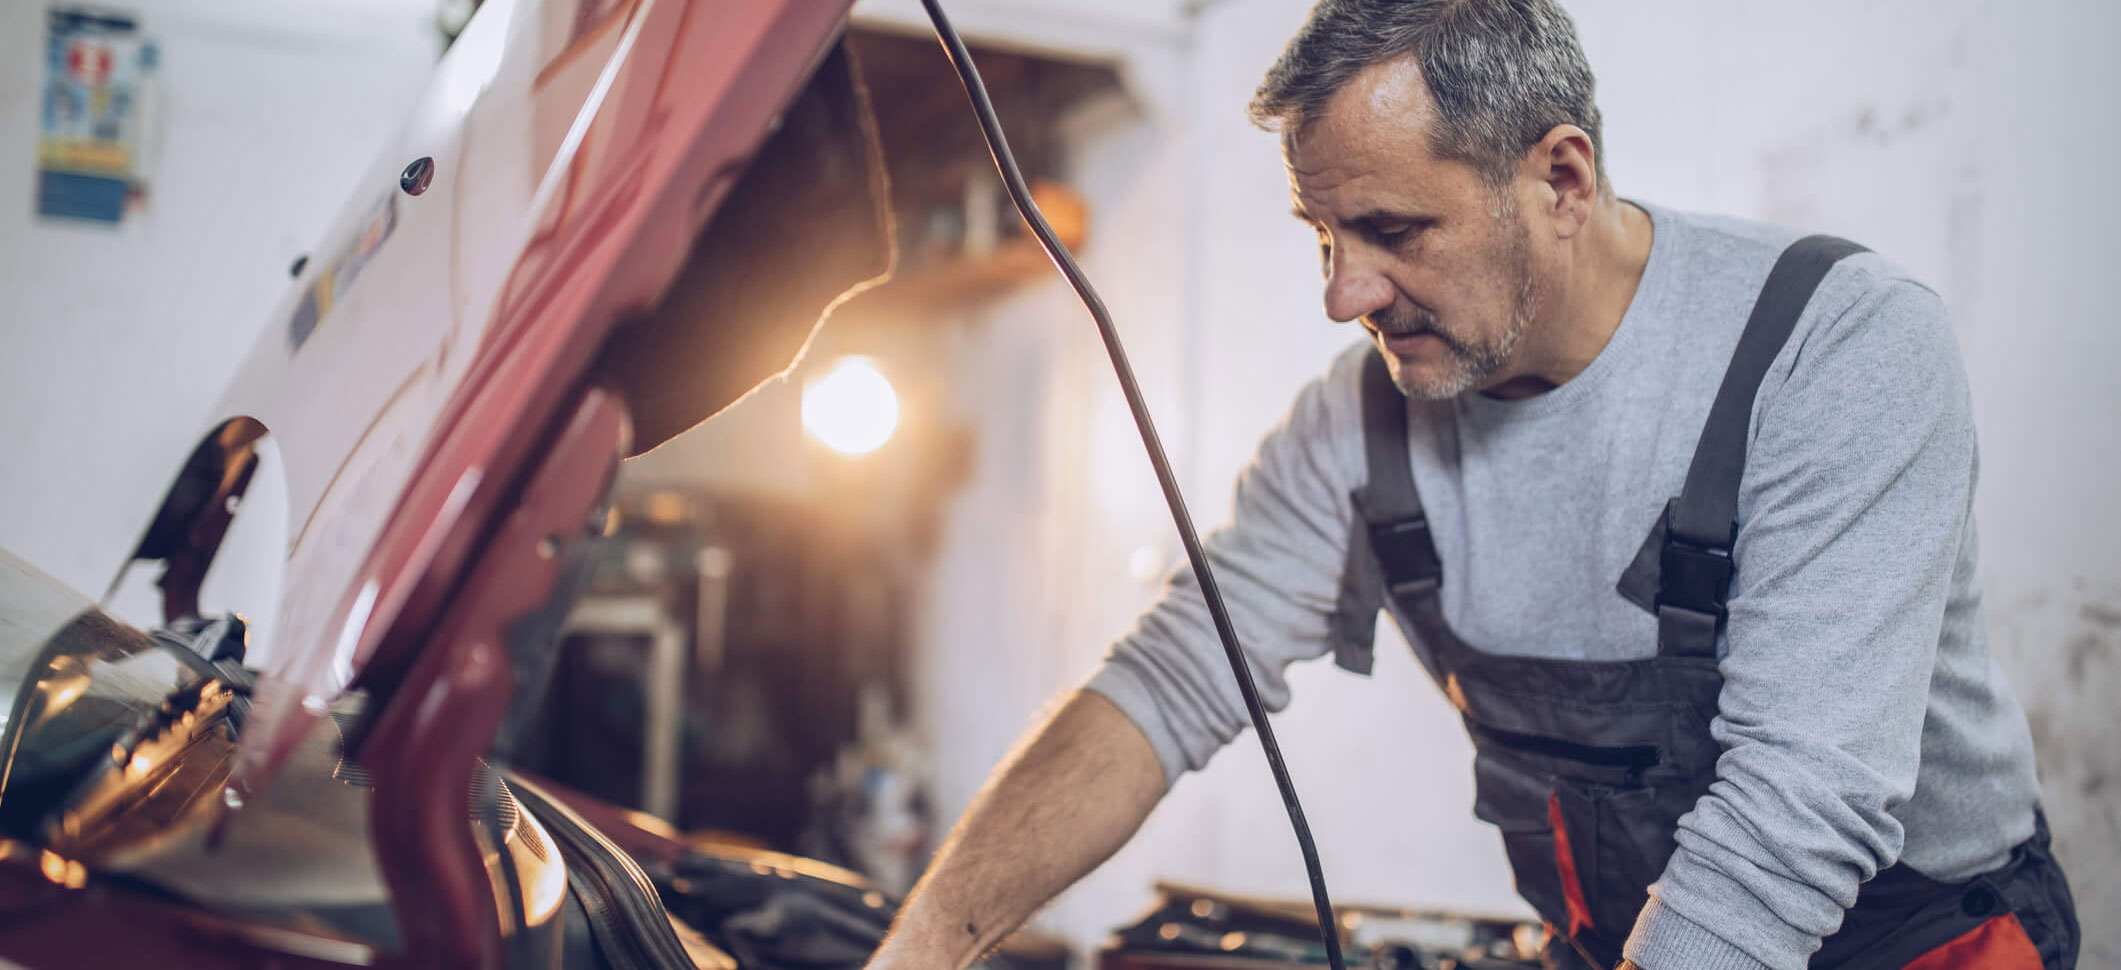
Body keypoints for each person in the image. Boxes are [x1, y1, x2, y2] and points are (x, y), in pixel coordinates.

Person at [861, 2, 2078, 968]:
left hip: (1921, 941)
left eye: (1393, 229)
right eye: (1321, 234)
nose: (1344, 294)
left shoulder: (1834, 347)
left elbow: (1799, 807)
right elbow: (1173, 679)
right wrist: (921, 949)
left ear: (1560, 179)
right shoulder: (1355, 422)